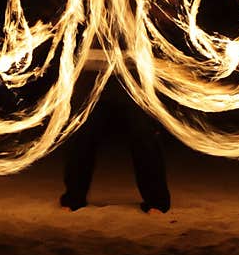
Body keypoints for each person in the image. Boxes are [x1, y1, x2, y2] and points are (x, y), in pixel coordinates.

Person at [60, 68, 171, 214]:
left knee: (144, 136)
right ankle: (74, 198)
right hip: (91, 75)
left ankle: (156, 201)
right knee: (82, 137)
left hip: (132, 75)